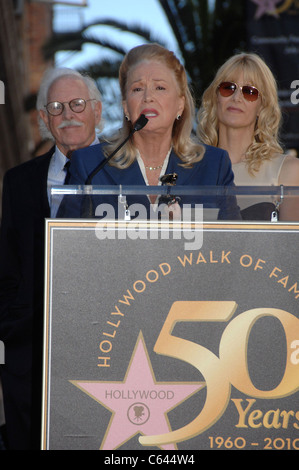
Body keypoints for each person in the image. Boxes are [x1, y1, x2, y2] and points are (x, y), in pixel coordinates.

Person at [0, 67, 102, 449]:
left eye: (77, 104)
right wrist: (13, 327)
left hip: (104, 346)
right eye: (56, 107)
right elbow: (7, 268)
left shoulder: (126, 176)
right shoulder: (18, 181)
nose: (67, 114)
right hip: (29, 360)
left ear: (97, 110)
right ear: (43, 119)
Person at [67, 43, 241, 221]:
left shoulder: (214, 166)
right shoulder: (91, 167)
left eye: (160, 88)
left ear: (180, 105)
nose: (148, 97)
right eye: (137, 89)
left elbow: (234, 243)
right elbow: (67, 242)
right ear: (126, 107)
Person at [197, 52, 299, 221]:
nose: (237, 98)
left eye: (249, 92)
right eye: (228, 88)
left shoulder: (288, 171)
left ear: (262, 106)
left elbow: (291, 246)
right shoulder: (189, 168)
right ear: (216, 98)